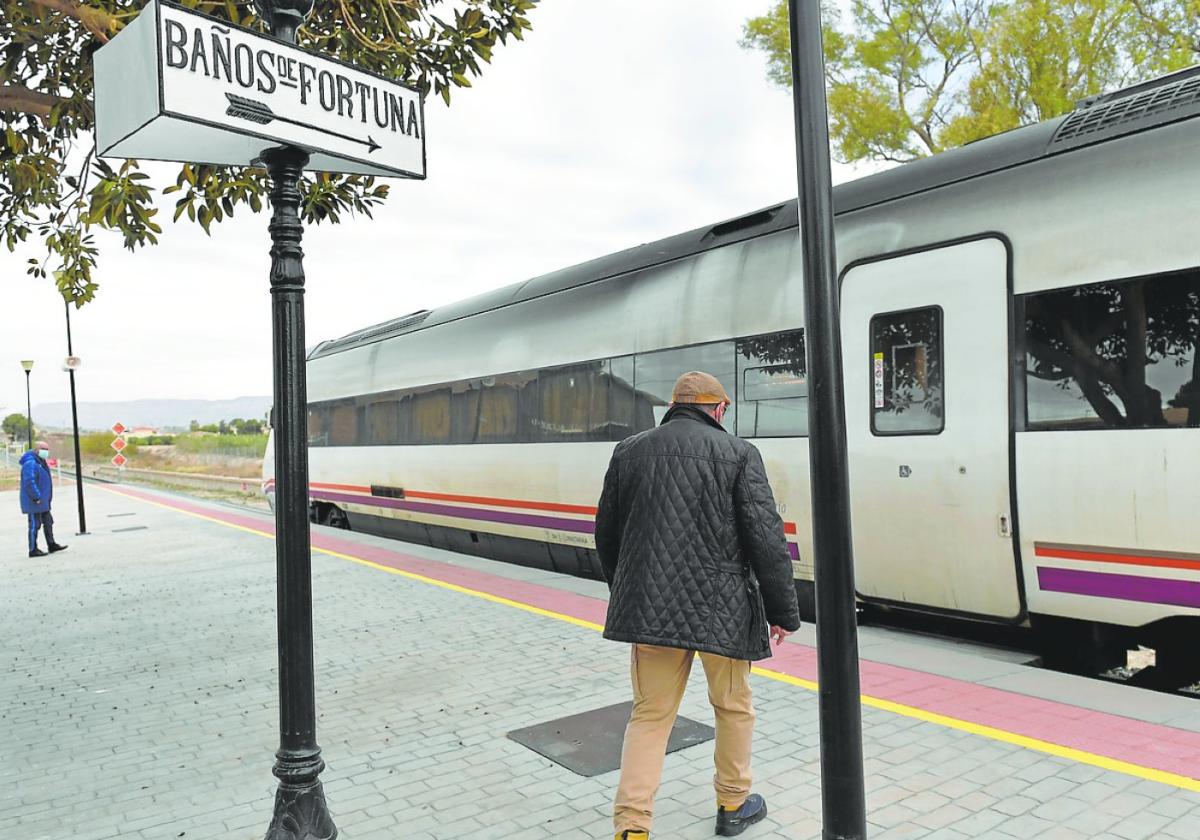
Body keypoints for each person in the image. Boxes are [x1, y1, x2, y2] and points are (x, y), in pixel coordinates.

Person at [595, 371, 802, 840]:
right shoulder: (738, 454)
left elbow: (607, 535)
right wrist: (782, 612)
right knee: (732, 706)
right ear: (719, 409)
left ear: (673, 407)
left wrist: (630, 592)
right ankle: (732, 805)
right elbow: (766, 540)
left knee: (649, 715)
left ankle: (632, 828)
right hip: (723, 610)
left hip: (650, 611)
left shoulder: (629, 451)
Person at [20, 440, 67, 558]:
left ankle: (51, 544)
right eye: (43, 449)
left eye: (47, 449)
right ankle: (33, 549)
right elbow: (29, 482)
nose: (46, 452)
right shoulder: (31, 463)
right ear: (36, 450)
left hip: (43, 500)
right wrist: (36, 497)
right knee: (34, 525)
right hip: (35, 501)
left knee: (48, 522)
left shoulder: (40, 462)